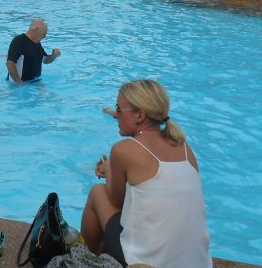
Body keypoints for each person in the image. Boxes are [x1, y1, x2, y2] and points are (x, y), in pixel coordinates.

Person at [81, 80, 210, 267]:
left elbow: (116, 201)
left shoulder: (123, 150)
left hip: (147, 264)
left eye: (119, 109)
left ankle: (81, 258)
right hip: (199, 263)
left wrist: (109, 169)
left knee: (98, 193)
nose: (116, 115)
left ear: (140, 115)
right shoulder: (184, 148)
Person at [6, 19, 61, 84]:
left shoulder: (37, 43)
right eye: (44, 34)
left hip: (34, 82)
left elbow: (45, 60)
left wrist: (53, 56)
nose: (45, 36)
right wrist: (19, 82)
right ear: (35, 31)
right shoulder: (19, 41)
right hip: (19, 84)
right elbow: (10, 63)